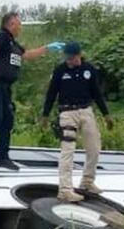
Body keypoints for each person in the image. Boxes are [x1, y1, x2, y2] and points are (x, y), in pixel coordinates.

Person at [0, 13, 65, 170]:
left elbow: (27, 55)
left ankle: (2, 157)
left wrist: (47, 48)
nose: (21, 27)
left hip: (4, 87)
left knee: (7, 120)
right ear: (11, 24)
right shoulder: (1, 37)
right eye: (19, 24)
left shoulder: (12, 44)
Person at [39, 42, 114, 203]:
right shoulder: (60, 71)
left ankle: (87, 182)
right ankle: (65, 189)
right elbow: (51, 93)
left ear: (79, 55)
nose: (69, 61)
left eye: (72, 58)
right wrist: (45, 115)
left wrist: (106, 114)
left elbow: (97, 93)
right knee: (68, 150)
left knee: (94, 148)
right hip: (67, 113)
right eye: (67, 58)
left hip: (86, 111)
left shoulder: (89, 70)